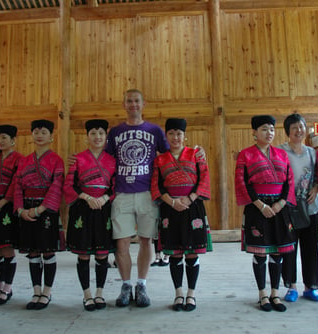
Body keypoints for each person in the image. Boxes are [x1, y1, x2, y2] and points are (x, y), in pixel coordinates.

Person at [105, 89, 169, 307]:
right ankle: (125, 285)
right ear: (124, 105)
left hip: (146, 193)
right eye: (129, 101)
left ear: (144, 104)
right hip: (122, 193)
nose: (133, 105)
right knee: (121, 243)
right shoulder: (115, 132)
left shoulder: (154, 130)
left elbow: (170, 155)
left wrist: (195, 152)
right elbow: (104, 160)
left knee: (145, 239)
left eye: (137, 101)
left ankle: (141, 284)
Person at [235, 115, 296, 312]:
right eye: (263, 129)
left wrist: (281, 203)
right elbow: (242, 182)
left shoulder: (282, 155)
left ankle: (275, 293)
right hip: (257, 208)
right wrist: (260, 205)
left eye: (271, 129)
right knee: (260, 253)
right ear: (254, 132)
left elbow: (289, 181)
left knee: (277, 252)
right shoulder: (245, 155)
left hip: (279, 207)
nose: (268, 133)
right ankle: (262, 294)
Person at [151, 118, 211, 311]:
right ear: (166, 136)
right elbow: (156, 185)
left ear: (185, 136)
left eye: (179, 133)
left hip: (192, 208)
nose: (175, 137)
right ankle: (178, 293)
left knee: (192, 253)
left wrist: (190, 198)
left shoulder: (195, 155)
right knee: (175, 254)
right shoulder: (159, 160)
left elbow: (204, 179)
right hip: (170, 208)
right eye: (171, 133)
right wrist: (172, 202)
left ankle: (191, 294)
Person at [63, 119, 116, 311]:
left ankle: (100, 294)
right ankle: (87, 295)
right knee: (84, 255)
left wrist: (104, 198)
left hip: (104, 208)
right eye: (93, 133)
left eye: (101, 133)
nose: (97, 137)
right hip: (82, 209)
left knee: (102, 255)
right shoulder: (77, 159)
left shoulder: (112, 160)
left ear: (106, 136)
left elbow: (116, 185)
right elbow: (69, 184)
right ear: (87, 136)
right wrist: (86, 197)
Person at [14, 119, 65, 310]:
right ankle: (36, 290)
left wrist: (40, 209)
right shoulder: (25, 160)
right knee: (33, 252)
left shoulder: (57, 160)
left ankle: (47, 292)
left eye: (44, 131)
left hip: (46, 210)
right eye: (36, 131)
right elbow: (17, 185)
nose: (39, 134)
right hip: (26, 209)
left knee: (47, 250)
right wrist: (20, 210)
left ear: (51, 137)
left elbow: (57, 186)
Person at [280, 113, 318, 302]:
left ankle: (311, 287)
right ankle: (291, 287)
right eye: (295, 127)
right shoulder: (280, 152)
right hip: (288, 208)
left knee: (311, 247)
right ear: (288, 131)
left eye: (302, 126)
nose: (299, 130)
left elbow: (316, 176)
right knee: (289, 248)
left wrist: (315, 187)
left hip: (310, 207)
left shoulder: (312, 152)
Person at [0, 125, 23, 305]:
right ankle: (1, 285)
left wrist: (2, 202)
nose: (0, 140)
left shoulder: (19, 159)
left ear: (13, 140)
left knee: (6, 246)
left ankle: (8, 287)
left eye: (4, 137)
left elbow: (15, 183)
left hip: (6, 206)